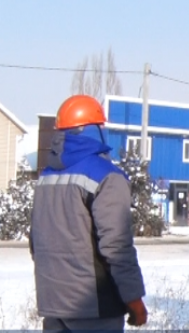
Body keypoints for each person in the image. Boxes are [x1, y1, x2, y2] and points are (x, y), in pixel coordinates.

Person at [31, 94, 148, 331]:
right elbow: (116, 246)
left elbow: (36, 242)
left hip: (53, 303)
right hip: (94, 306)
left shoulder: (46, 177)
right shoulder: (107, 176)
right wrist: (134, 298)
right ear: (94, 129)